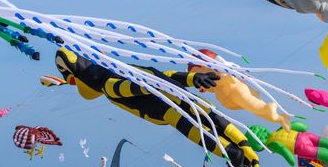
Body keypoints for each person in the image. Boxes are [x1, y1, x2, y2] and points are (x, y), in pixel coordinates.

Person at [54, 49, 260, 167]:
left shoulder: (123, 71)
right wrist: (154, 83)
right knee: (203, 129)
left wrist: (193, 78)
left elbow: (164, 75)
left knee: (214, 118)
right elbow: (132, 87)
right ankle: (235, 156)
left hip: (179, 95)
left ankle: (247, 152)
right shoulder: (108, 85)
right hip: (165, 109)